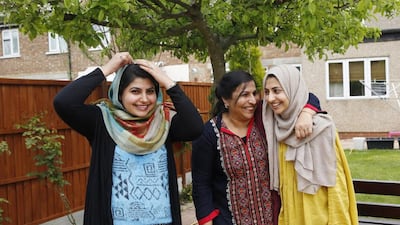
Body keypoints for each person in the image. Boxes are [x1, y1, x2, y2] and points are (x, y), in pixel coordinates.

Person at [53, 52, 203, 225]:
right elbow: (63, 102)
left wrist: (168, 82)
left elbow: (195, 128)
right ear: (119, 93)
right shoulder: (102, 121)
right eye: (135, 91)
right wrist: (108, 68)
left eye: (150, 91)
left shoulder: (163, 122)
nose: (144, 99)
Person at [191, 70, 321, 225]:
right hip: (228, 220)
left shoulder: (264, 118)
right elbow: (201, 183)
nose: (253, 101)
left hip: (273, 219)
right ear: (226, 99)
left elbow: (307, 97)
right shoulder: (209, 134)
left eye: (255, 93)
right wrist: (207, 221)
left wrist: (306, 113)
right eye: (244, 95)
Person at [262, 65, 358, 225]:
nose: (270, 98)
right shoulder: (274, 126)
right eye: (267, 92)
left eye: (277, 91)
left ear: (293, 90)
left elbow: (336, 186)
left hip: (320, 216)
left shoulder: (321, 128)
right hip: (291, 215)